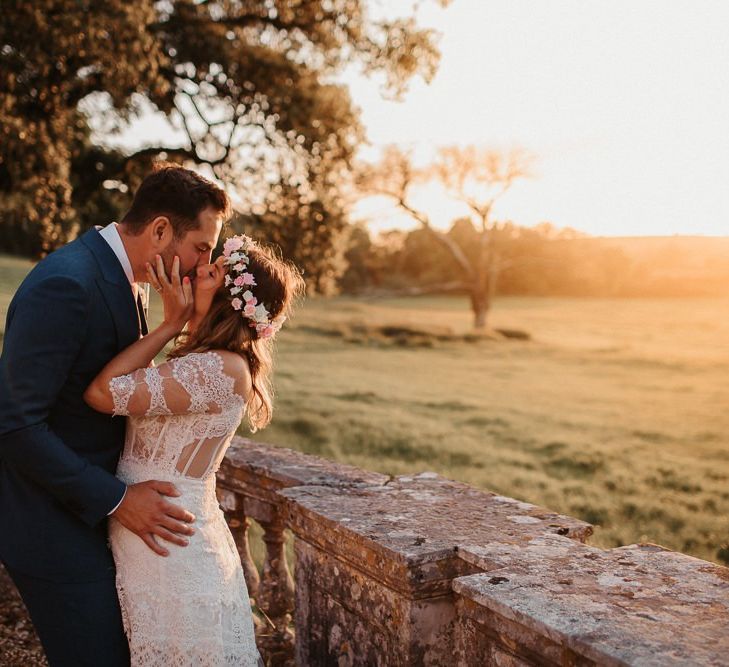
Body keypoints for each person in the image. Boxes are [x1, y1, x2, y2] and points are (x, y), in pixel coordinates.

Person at [0, 164, 229, 665]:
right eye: (202, 248)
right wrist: (117, 499)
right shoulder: (66, 283)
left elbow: (136, 390)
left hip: (88, 522)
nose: (200, 264)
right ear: (161, 229)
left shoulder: (129, 278)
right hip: (51, 527)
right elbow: (15, 424)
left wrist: (178, 324)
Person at [83, 234, 303, 664]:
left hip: (170, 544)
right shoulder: (207, 362)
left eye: (213, 270)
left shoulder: (218, 369)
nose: (198, 268)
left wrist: (169, 324)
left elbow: (101, 394)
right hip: (161, 532)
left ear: (228, 297)